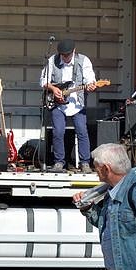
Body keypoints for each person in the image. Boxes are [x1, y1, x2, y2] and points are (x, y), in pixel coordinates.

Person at [40, 39, 97, 174]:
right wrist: (54, 89)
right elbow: (43, 81)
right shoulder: (52, 60)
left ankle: (85, 163)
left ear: (73, 51)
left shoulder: (84, 61)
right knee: (58, 132)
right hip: (57, 104)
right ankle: (59, 162)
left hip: (77, 103)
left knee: (82, 131)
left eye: (67, 55)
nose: (64, 58)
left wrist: (91, 86)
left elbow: (90, 79)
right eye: (62, 55)